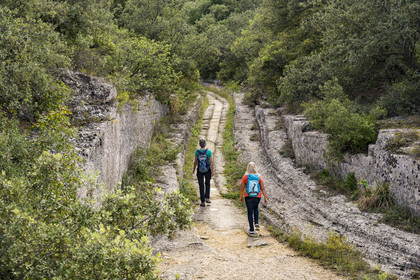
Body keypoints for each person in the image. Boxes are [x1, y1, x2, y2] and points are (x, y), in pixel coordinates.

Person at [240, 162, 268, 235]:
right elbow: (263, 188)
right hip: (257, 196)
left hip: (248, 196)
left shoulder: (245, 177)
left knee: (250, 212)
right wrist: (265, 198)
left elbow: (242, 188)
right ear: (255, 167)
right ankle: (256, 222)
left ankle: (251, 229)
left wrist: (241, 196)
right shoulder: (259, 176)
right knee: (256, 208)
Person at [193, 138, 214, 207]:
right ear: (205, 144)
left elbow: (195, 162)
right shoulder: (208, 152)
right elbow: (211, 161)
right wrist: (212, 171)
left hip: (199, 170)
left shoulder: (197, 152)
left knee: (201, 185)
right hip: (207, 170)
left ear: (199, 144)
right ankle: (207, 198)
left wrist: (194, 169)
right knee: (207, 183)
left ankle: (202, 202)